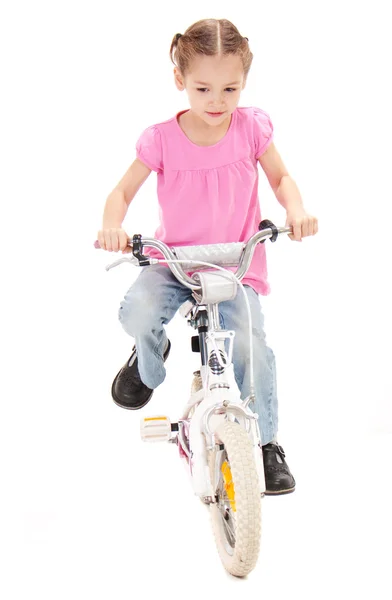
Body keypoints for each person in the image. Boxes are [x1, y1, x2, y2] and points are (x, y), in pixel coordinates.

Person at [98, 18, 318, 495]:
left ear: (245, 81)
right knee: (136, 311)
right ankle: (149, 361)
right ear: (180, 81)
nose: (217, 101)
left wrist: (295, 208)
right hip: (174, 260)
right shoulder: (161, 139)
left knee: (250, 346)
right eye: (202, 88)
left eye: (229, 88)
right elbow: (121, 191)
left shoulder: (251, 130)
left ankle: (267, 444)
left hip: (233, 263)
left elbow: (281, 178)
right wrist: (112, 226)